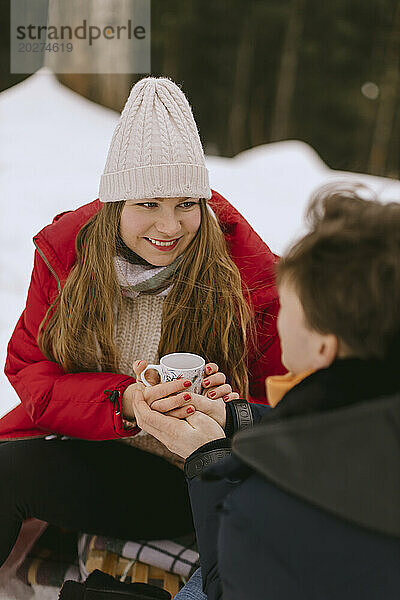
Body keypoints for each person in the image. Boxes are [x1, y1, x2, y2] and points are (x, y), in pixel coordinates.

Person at [0, 77, 285, 568]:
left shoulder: (249, 276)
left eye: (186, 204)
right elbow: (33, 374)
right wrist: (127, 401)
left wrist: (228, 413)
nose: (170, 227)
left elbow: (290, 409)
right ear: (116, 204)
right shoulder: (66, 255)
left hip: (198, 479)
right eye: (148, 204)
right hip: (99, 447)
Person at [129, 185, 400, 599]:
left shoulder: (266, 509)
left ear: (323, 345)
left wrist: (207, 459)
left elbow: (229, 584)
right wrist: (235, 417)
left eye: (287, 305)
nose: (276, 317)